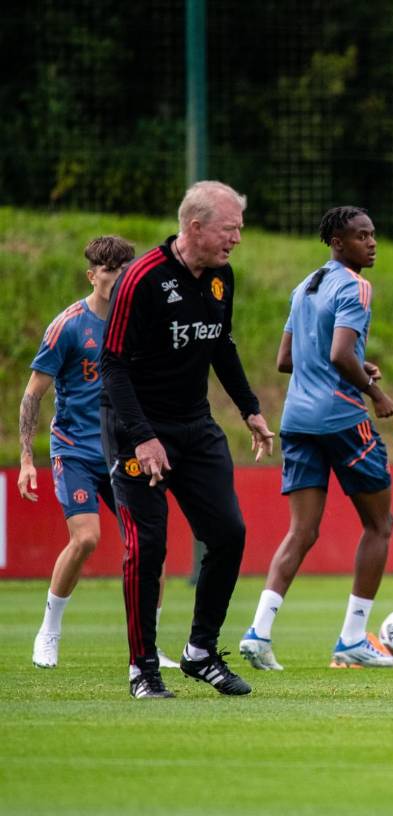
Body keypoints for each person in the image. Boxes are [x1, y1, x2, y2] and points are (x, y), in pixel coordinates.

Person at [101, 180, 275, 699]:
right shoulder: (142, 279)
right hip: (135, 427)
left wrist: (250, 410)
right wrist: (143, 439)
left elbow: (222, 345)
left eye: (239, 229)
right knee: (146, 545)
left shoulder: (221, 277)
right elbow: (111, 367)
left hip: (195, 424)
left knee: (228, 533)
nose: (237, 239)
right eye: (230, 229)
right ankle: (143, 669)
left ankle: (200, 652)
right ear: (195, 227)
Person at [238, 207, 393, 672]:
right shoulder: (356, 285)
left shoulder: (306, 284)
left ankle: (259, 631)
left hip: (297, 421)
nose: (371, 243)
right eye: (360, 236)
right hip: (343, 420)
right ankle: (352, 638)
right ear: (336, 242)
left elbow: (287, 359)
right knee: (379, 525)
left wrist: (352, 364)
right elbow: (340, 352)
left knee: (302, 531)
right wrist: (376, 393)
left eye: (372, 234)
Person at [20, 237, 176, 670]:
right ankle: (49, 631)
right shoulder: (69, 325)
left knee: (150, 546)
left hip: (124, 446)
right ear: (93, 275)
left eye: (125, 269)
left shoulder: (141, 324)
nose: (118, 277)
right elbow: (33, 394)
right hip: (75, 449)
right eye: (109, 270)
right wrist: (28, 459)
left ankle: (151, 644)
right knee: (86, 538)